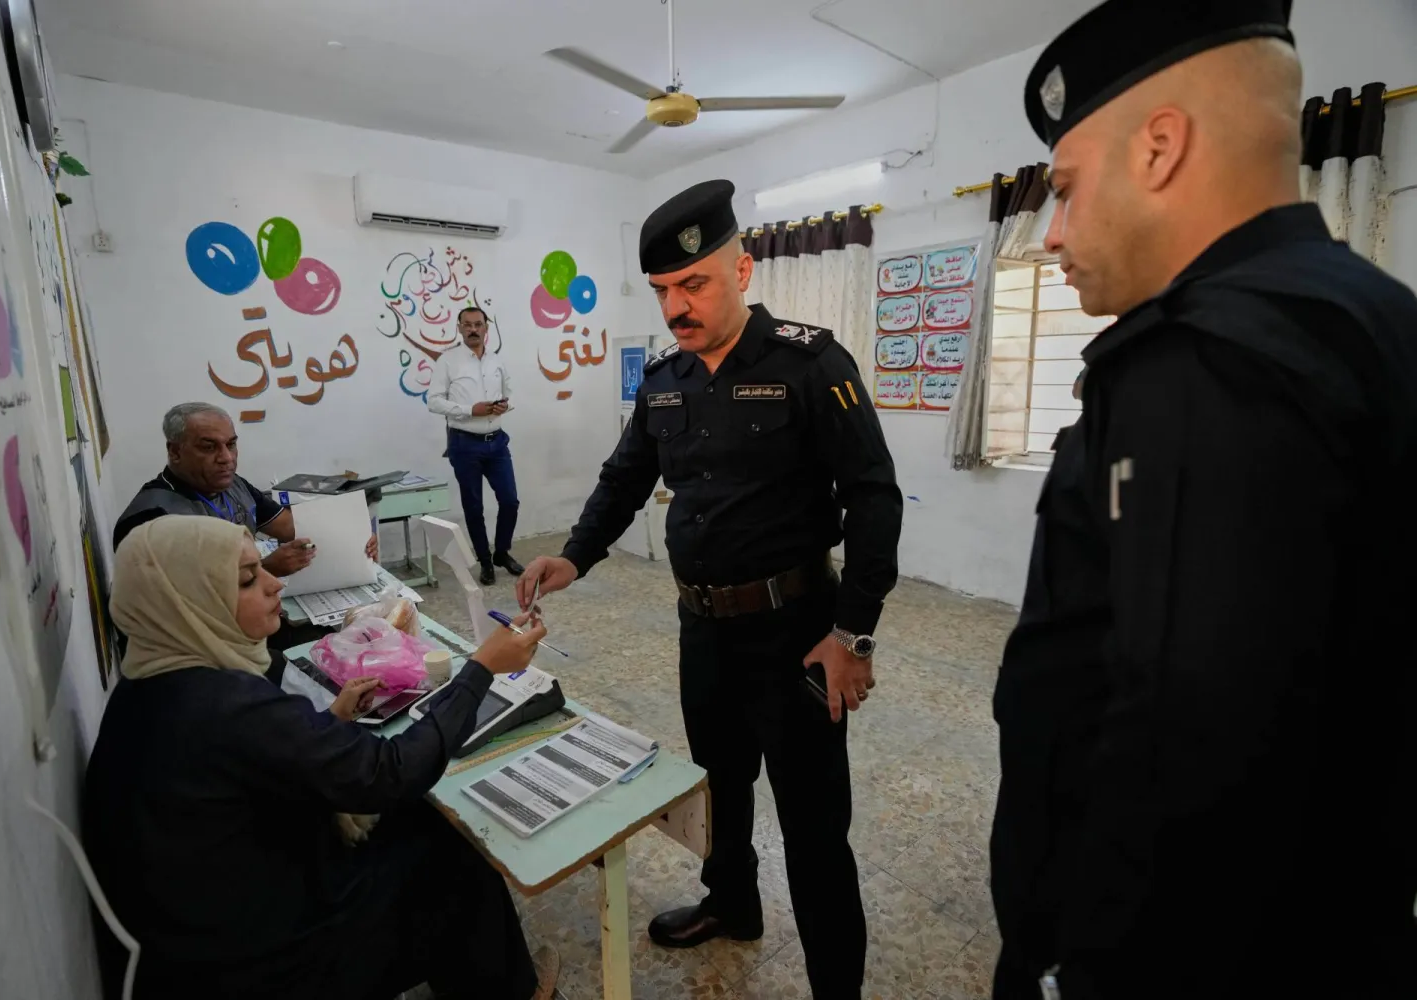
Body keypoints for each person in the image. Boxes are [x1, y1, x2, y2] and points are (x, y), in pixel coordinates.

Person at [991, 2, 1417, 998]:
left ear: (1162, 147)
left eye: (1064, 189)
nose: (1051, 234)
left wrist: (1083, 970)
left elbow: (1188, 751)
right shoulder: (1371, 316)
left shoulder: (1206, 361)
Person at [516, 180, 902, 999]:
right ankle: (733, 907)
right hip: (705, 632)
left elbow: (875, 496)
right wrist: (575, 557)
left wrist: (853, 633)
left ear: (743, 271)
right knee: (719, 783)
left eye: (694, 285)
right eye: (663, 291)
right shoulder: (665, 379)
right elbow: (625, 478)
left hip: (797, 629)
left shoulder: (811, 363)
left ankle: (839, 985)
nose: (677, 307)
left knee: (813, 823)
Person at [84, 515, 560, 1000]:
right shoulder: (224, 704)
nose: (275, 584)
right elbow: (389, 773)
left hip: (205, 935)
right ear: (188, 601)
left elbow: (258, 766)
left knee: (421, 823)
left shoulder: (148, 683)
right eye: (249, 578)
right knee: (454, 857)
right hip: (262, 964)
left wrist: (328, 724)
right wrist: (480, 670)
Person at [112, 401, 379, 571]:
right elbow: (182, 604)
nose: (226, 458)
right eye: (208, 447)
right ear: (175, 452)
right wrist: (263, 570)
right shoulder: (151, 518)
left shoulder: (234, 486)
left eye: (231, 444)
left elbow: (289, 527)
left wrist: (354, 539)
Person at [428, 306, 522, 585]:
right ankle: (484, 560)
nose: (473, 329)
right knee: (474, 507)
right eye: (467, 325)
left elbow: (510, 392)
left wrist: (504, 405)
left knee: (510, 501)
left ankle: (501, 552)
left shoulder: (496, 361)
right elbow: (434, 401)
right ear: (459, 328)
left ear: (486, 328)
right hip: (465, 444)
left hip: (497, 443)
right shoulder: (448, 361)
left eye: (478, 324)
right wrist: (471, 410)